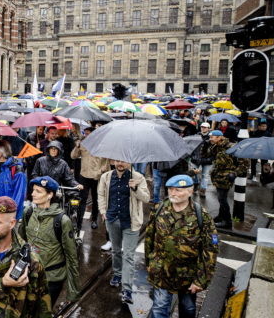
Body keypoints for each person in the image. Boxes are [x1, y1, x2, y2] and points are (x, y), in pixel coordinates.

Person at [145, 175, 219, 318]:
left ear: (190, 192)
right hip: (162, 273)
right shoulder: (159, 209)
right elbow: (149, 238)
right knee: (159, 309)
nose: (173, 193)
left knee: (188, 309)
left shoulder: (201, 216)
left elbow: (211, 249)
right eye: (170, 189)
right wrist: (149, 264)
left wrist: (201, 280)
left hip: (187, 276)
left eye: (178, 190)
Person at [19, 177, 80, 306]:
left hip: (51, 278)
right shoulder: (28, 213)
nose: (33, 194)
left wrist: (72, 290)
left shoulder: (62, 221)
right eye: (33, 190)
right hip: (30, 274)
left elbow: (71, 256)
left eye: (38, 191)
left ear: (50, 195)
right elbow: (20, 242)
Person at [97, 159, 150, 304]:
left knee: (128, 255)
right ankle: (118, 274)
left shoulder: (138, 177)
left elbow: (146, 198)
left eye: (124, 161)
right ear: (113, 161)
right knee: (115, 250)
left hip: (131, 222)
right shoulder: (106, 177)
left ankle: (127, 290)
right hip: (112, 219)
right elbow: (101, 195)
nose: (120, 163)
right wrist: (103, 212)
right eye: (117, 161)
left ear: (130, 162)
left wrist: (135, 188)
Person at [207, 130, 249, 229]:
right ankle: (221, 216)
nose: (210, 139)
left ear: (219, 137)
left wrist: (235, 173)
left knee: (222, 199)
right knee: (221, 198)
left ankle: (227, 222)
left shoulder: (232, 146)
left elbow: (245, 163)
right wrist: (207, 145)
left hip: (226, 176)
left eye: (212, 137)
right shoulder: (217, 146)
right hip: (218, 175)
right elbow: (209, 155)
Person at [71, 127, 109, 230]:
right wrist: (77, 147)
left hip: (97, 177)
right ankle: (79, 222)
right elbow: (73, 156)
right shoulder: (83, 144)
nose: (86, 135)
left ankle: (94, 220)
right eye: (85, 133)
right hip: (84, 176)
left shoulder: (102, 146)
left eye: (89, 133)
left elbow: (106, 163)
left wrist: (101, 171)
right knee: (82, 199)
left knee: (96, 199)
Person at [190, 122, 213, 198]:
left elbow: (214, 150)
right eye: (202, 127)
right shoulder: (196, 136)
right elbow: (192, 146)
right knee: (194, 174)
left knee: (205, 175)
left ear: (208, 128)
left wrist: (211, 158)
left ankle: (203, 190)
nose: (203, 128)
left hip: (207, 159)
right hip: (196, 158)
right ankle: (196, 185)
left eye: (205, 127)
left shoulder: (211, 137)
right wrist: (192, 155)